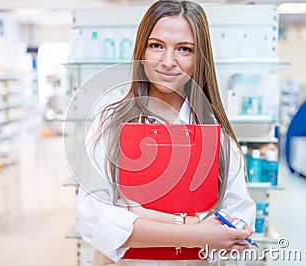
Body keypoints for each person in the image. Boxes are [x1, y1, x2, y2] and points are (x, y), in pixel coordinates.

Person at [75, 0, 256, 265]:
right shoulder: (109, 123)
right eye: (156, 46)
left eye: (184, 49)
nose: (167, 62)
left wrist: (136, 217)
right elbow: (93, 218)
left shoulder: (215, 135)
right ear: (142, 50)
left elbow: (239, 224)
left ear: (199, 58)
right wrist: (195, 230)